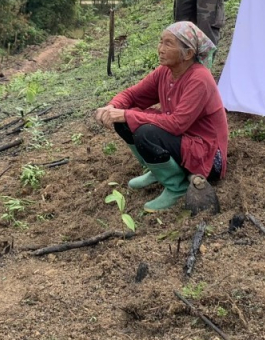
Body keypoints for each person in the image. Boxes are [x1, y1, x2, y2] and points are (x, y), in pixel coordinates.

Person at [95, 21, 228, 212]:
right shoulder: (165, 72)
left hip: (207, 154)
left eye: (168, 44)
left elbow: (177, 124)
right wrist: (112, 107)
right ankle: (159, 171)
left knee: (144, 131)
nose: (160, 49)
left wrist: (126, 114)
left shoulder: (200, 79)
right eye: (160, 42)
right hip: (184, 141)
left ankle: (176, 186)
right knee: (125, 119)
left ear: (188, 54)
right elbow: (133, 95)